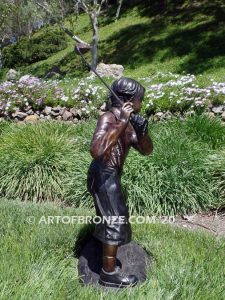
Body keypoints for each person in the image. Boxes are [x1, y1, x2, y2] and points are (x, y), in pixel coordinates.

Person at [87, 77, 153, 288]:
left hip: (112, 174)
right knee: (115, 218)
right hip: (102, 173)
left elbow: (146, 150)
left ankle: (103, 245)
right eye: (139, 100)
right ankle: (108, 273)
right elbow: (96, 150)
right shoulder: (108, 118)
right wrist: (122, 122)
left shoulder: (132, 121)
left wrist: (143, 134)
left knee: (111, 215)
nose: (141, 104)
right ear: (128, 101)